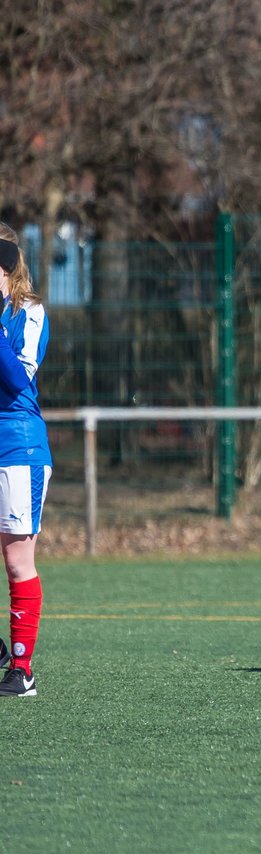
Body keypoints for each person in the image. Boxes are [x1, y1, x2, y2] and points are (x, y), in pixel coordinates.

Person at [0, 225, 50, 698]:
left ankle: (21, 671)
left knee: (17, 560)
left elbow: (18, 381)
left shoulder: (29, 314)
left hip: (18, 446)